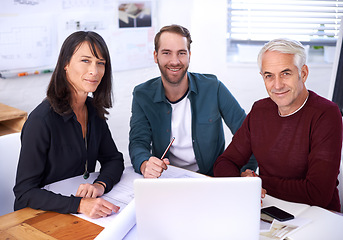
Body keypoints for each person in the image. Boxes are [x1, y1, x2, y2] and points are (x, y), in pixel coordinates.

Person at [214, 38, 342, 212]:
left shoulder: (326, 114)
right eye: (269, 76)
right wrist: (242, 185)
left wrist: (256, 182)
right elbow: (225, 162)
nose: (277, 85)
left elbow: (317, 193)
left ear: (303, 73)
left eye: (286, 73)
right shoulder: (259, 110)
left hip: (317, 214)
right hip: (269, 208)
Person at [13, 31, 125, 218]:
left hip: (77, 214)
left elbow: (113, 159)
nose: (94, 71)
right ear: (65, 64)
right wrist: (79, 205)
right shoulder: (41, 120)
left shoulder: (93, 111)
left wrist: (100, 185)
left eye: (100, 63)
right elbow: (24, 192)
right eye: (85, 61)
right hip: (42, 216)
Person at [129, 24, 257, 178]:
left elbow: (249, 135)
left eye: (181, 53)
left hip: (212, 177)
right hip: (167, 179)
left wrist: (245, 171)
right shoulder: (142, 95)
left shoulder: (213, 87)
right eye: (167, 53)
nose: (175, 61)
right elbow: (138, 142)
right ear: (156, 56)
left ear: (189, 55)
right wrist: (145, 164)